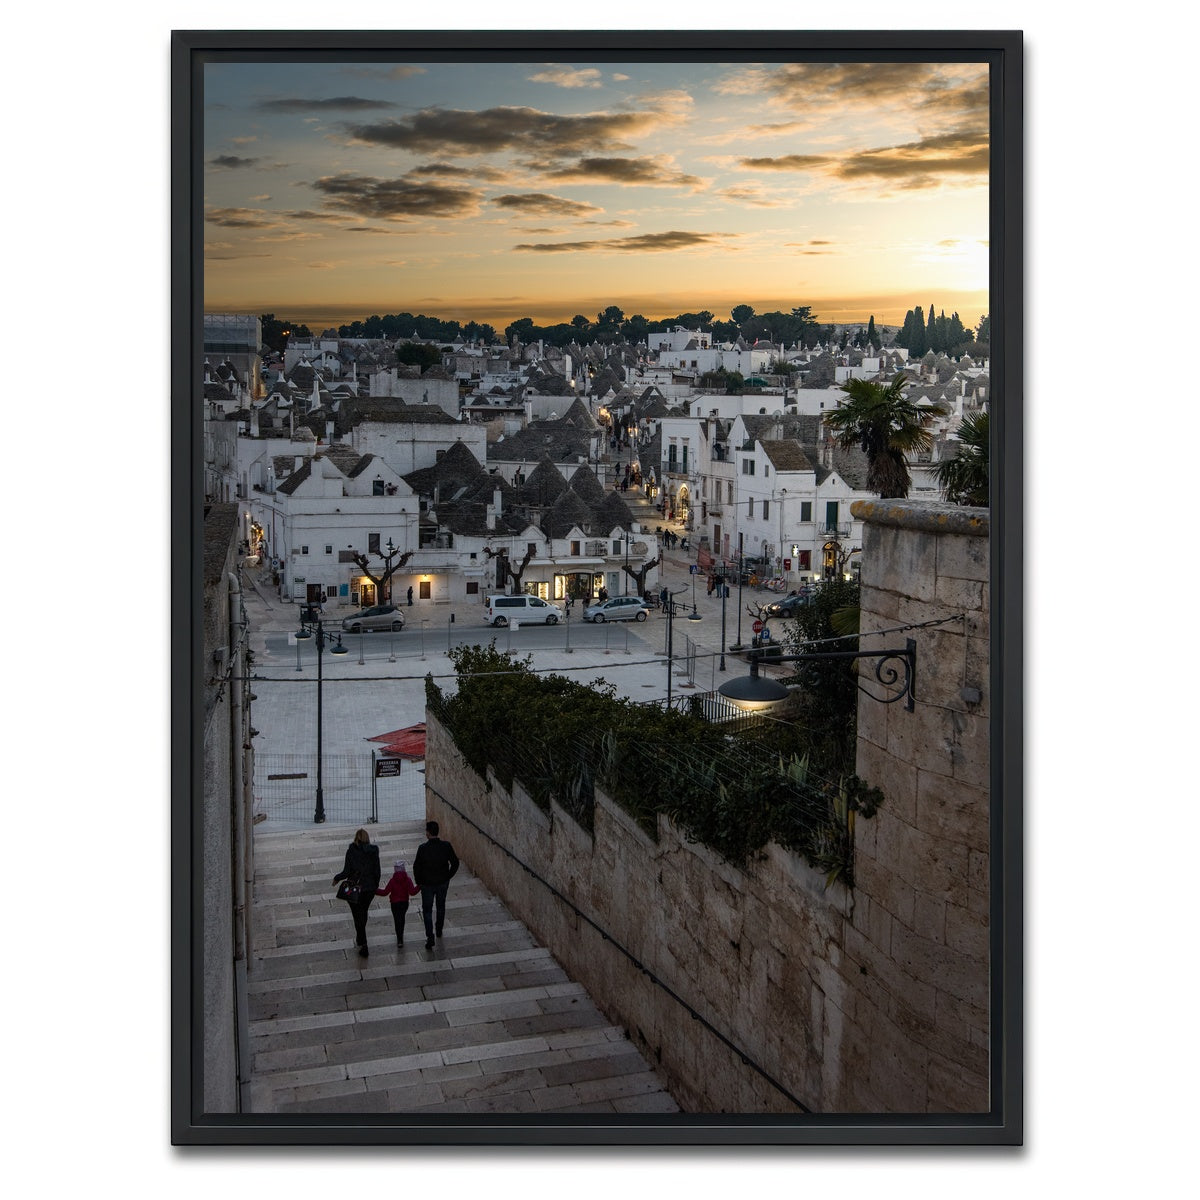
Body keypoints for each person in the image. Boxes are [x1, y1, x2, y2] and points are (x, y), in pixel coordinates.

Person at [332, 829, 382, 957]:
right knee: (363, 912)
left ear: (356, 838)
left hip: (355, 889)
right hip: (369, 889)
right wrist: (374, 885)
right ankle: (360, 938)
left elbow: (346, 872)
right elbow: (377, 871)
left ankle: (363, 942)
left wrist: (337, 878)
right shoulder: (374, 851)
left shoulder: (351, 852)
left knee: (357, 915)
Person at [412, 820, 459, 949]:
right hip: (442, 882)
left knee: (427, 910)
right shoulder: (446, 846)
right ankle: (439, 929)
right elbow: (455, 863)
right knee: (440, 906)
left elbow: (416, 867)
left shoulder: (422, 848)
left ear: (427, 833)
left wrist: (419, 881)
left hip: (427, 884)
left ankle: (430, 936)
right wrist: (448, 876)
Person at [376, 858, 421, 947]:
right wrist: (420, 886)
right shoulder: (407, 879)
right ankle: (401, 935)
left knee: (397, 920)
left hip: (394, 904)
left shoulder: (393, 880)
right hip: (404, 903)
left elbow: (385, 892)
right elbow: (412, 892)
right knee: (402, 918)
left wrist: (374, 890)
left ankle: (399, 938)